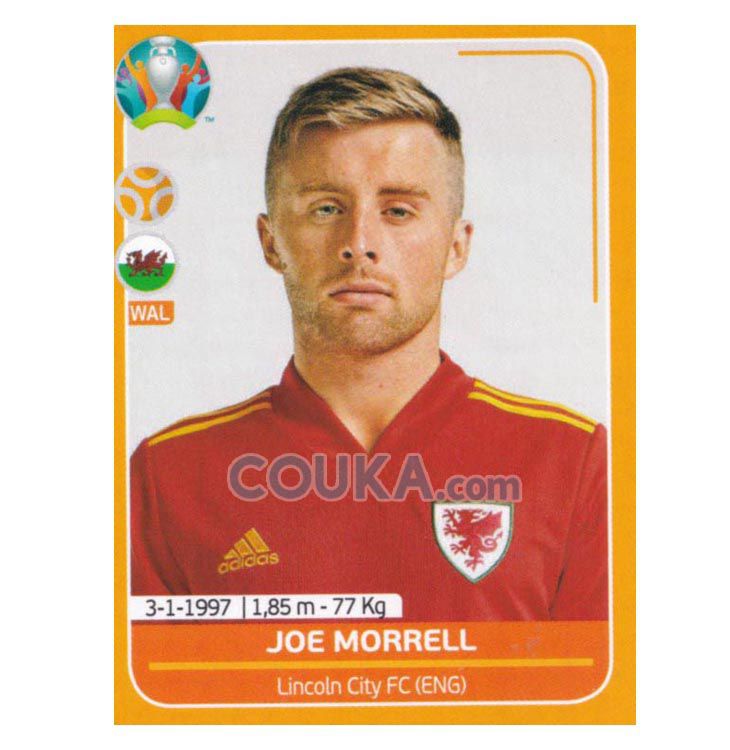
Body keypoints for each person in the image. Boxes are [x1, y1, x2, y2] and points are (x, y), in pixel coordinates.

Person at [130, 67, 608, 621]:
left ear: (456, 246)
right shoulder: (169, 477)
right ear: (271, 241)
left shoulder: (571, 463)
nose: (359, 244)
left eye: (398, 211)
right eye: (326, 208)